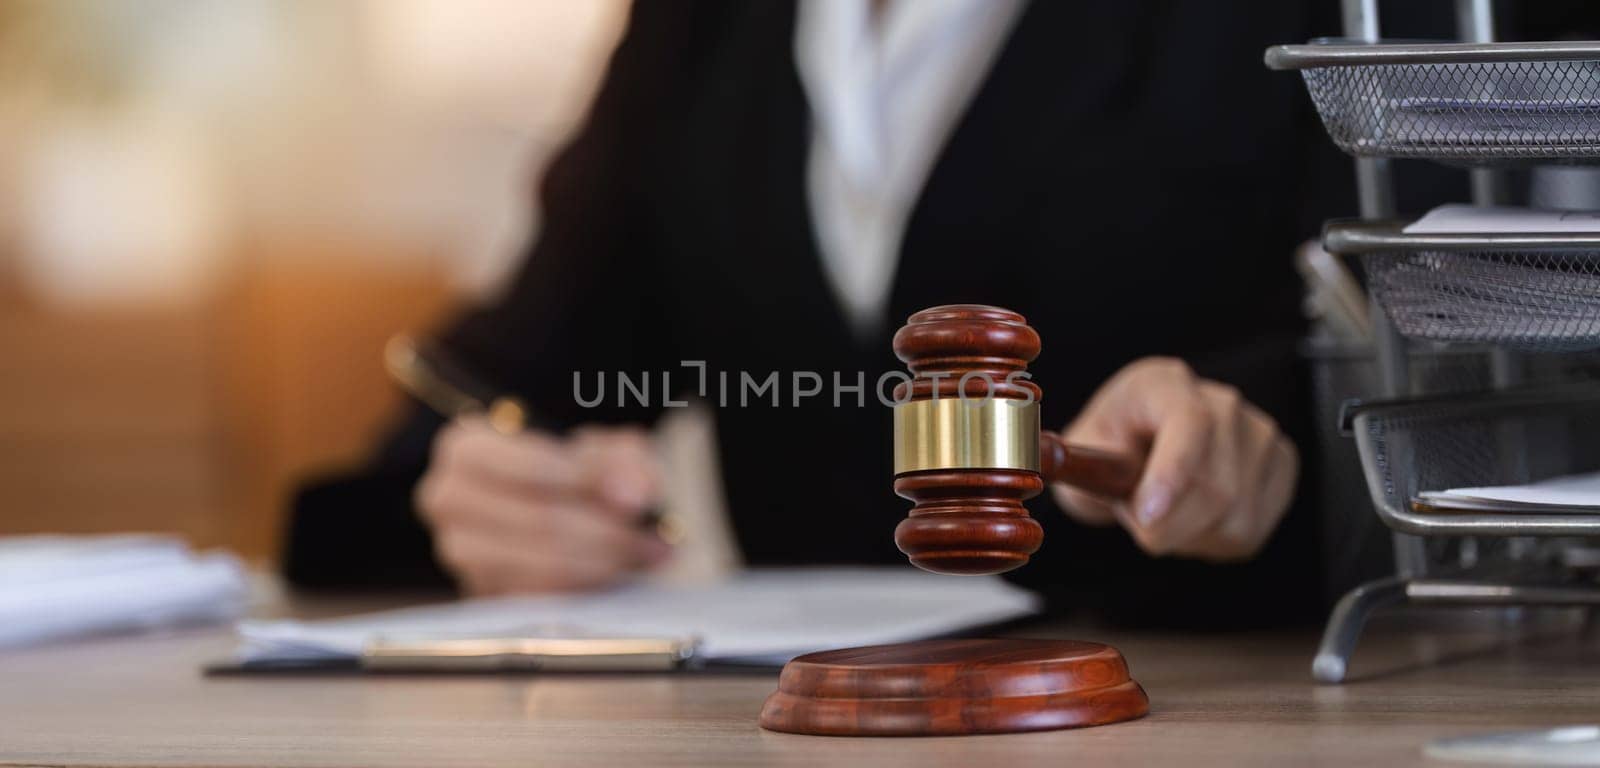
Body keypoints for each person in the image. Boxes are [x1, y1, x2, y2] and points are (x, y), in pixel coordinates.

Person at [286, 0, 1359, 628]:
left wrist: (1257, 431)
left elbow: (1452, 366)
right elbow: (488, 393)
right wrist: (472, 501)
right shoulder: (702, 29)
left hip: (1212, 716)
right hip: (778, 732)